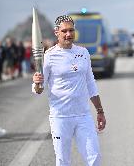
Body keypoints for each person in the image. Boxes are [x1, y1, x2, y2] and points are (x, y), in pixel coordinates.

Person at [32, 15, 106, 166]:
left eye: (71, 30)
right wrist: (36, 83)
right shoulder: (49, 56)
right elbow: (39, 89)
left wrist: (100, 111)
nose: (68, 34)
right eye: (64, 31)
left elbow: (90, 83)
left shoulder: (83, 53)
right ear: (56, 32)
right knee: (63, 161)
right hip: (60, 117)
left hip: (83, 115)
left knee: (95, 157)